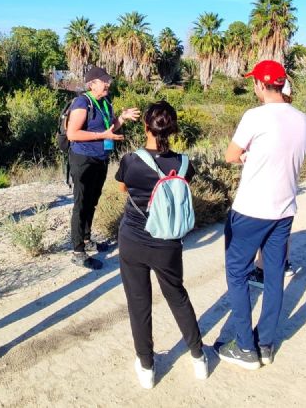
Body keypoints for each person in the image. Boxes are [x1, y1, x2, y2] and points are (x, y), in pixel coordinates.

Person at [217, 60, 306, 369]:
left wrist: (247, 156)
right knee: (273, 276)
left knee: (237, 273)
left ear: (259, 84)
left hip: (252, 209)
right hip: (284, 210)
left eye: (254, 82)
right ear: (282, 84)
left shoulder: (255, 116)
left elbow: (231, 155)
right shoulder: (301, 118)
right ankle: (266, 343)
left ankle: (244, 346)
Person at [116, 101, 207, 389]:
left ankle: (147, 366)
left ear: (145, 126)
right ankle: (198, 357)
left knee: (139, 302)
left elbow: (123, 188)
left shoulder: (132, 161)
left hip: (133, 237)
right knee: (177, 296)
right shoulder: (184, 163)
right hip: (168, 242)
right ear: (174, 128)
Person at [66, 66, 140, 270]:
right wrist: (102, 136)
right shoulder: (83, 102)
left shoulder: (105, 102)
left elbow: (109, 127)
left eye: (108, 80)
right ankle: (78, 251)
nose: (108, 83)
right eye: (103, 80)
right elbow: (73, 134)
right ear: (92, 84)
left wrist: (122, 119)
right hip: (83, 159)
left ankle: (87, 239)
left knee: (92, 200)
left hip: (100, 158)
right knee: (81, 203)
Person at [247, 78, 295, 288]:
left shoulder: (260, 117)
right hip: (287, 187)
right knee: (282, 229)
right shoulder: (298, 119)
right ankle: (282, 264)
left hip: (264, 186)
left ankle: (262, 271)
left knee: (262, 230)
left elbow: (234, 153)